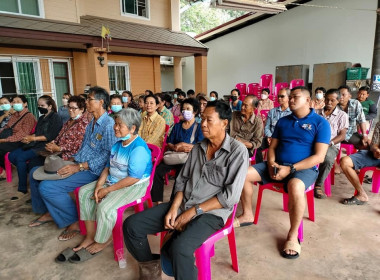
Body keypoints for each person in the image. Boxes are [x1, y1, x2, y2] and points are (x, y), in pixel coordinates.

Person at [123, 100, 249, 280]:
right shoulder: (198, 148)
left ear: (224, 123)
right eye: (202, 119)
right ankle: (151, 270)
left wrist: (192, 212)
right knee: (132, 226)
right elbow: (182, 181)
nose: (203, 124)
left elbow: (229, 197)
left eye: (209, 120)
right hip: (184, 203)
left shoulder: (238, 152)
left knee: (180, 248)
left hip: (211, 213)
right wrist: (174, 208)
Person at [236, 86, 330, 259]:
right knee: (243, 174)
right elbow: (272, 147)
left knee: (295, 186)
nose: (291, 100)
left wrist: (290, 169)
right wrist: (271, 163)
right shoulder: (283, 121)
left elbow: (319, 157)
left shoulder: (320, 123)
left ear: (308, 100)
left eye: (296, 97)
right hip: (277, 164)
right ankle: (247, 214)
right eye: (290, 97)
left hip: (303, 169)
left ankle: (293, 235)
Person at [54, 108, 152, 263]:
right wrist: (100, 185)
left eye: (120, 125)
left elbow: (133, 178)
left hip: (133, 185)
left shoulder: (138, 148)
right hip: (113, 179)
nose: (115, 127)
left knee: (106, 206)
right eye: (116, 124)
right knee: (85, 193)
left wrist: (107, 190)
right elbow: (108, 166)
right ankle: (90, 236)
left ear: (132, 129)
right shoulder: (118, 144)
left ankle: (103, 240)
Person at [28, 87, 117, 241]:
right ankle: (51, 210)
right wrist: (72, 160)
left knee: (47, 187)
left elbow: (109, 156)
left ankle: (75, 220)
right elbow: (85, 148)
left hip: (93, 170)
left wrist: (79, 167)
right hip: (78, 161)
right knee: (35, 173)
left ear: (101, 102)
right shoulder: (92, 123)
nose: (87, 101)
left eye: (90, 99)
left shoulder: (108, 125)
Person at [150, 98, 204, 204]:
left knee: (180, 175)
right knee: (157, 171)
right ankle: (158, 202)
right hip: (174, 156)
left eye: (188, 109)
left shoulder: (198, 127)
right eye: (183, 109)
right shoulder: (178, 126)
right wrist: (174, 147)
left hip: (188, 158)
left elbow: (200, 146)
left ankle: (173, 202)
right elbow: (169, 142)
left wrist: (184, 145)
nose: (185, 112)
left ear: (195, 111)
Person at [8, 95, 62, 201]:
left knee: (21, 158)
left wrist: (33, 139)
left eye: (42, 105)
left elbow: (49, 136)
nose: (40, 107)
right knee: (12, 155)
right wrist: (29, 138)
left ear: (50, 106)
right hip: (36, 143)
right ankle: (26, 173)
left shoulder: (55, 117)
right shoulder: (42, 118)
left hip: (45, 146)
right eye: (38, 105)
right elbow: (37, 133)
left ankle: (22, 189)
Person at [314, 89, 348, 198]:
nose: (329, 103)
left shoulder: (342, 115)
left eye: (332, 100)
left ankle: (318, 185)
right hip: (314, 142)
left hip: (331, 144)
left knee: (328, 159)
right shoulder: (317, 112)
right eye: (327, 100)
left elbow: (342, 135)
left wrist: (329, 143)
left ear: (338, 101)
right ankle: (302, 178)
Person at [340, 121, 380, 205]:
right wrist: (375, 150)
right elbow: (373, 144)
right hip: (375, 156)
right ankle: (362, 195)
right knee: (345, 162)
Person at [42, 96, 90, 160]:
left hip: (69, 156)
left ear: (82, 109)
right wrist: (53, 143)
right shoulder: (69, 121)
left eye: (73, 108)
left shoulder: (83, 124)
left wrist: (59, 148)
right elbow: (60, 135)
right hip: (58, 151)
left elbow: (77, 145)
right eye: (69, 107)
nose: (70, 110)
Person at [0, 95, 36, 180]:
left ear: (25, 104)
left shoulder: (29, 116)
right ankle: (3, 170)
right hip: (11, 138)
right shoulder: (14, 115)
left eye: (18, 102)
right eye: (14, 102)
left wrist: (4, 140)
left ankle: (5, 170)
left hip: (20, 141)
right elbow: (7, 127)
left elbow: (22, 135)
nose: (16, 104)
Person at [256, 88, 292, 163]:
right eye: (278, 96)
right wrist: (269, 136)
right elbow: (267, 127)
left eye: (282, 96)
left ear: (289, 97)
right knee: (257, 146)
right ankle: (260, 167)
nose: (279, 98)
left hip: (283, 140)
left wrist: (275, 139)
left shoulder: (292, 113)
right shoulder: (272, 111)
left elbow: (290, 130)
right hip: (270, 138)